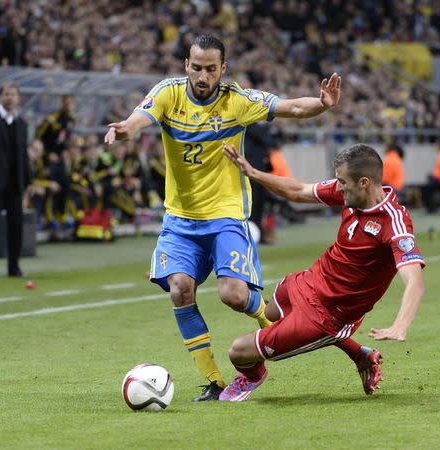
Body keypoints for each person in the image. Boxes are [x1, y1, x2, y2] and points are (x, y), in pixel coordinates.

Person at [104, 34, 341, 401]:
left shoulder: (237, 101)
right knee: (181, 289)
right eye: (196, 67)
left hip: (227, 215)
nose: (202, 75)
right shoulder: (168, 93)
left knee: (233, 294)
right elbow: (140, 118)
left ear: (222, 69)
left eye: (211, 69)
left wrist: (322, 105)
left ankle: (273, 327)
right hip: (180, 219)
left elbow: (291, 107)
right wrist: (125, 130)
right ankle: (215, 381)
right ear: (186, 65)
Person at [219, 142, 425, 401]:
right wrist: (253, 173)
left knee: (238, 352)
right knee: (268, 313)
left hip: (327, 316)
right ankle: (360, 354)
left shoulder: (394, 224)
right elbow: (298, 191)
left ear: (363, 183)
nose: (337, 187)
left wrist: (400, 325)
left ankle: (252, 376)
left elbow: (415, 281)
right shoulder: (351, 192)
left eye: (342, 182)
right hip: (309, 282)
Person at [0, 82, 30, 277]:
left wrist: (28, 181)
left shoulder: (21, 123)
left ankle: (14, 267)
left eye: (13, 94)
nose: (10, 97)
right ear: (1, 97)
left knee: (15, 227)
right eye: (6, 94)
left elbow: (23, 156)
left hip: (15, 184)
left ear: (18, 98)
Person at [422, 138, 440, 213]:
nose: (436, 146)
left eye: (437, 144)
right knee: (429, 185)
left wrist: (434, 177)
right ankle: (432, 207)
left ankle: (431, 208)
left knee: (427, 188)